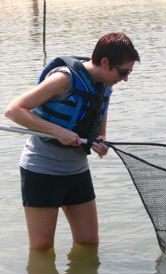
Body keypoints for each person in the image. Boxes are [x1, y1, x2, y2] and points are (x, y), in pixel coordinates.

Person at [4, 32, 140, 249]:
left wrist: (100, 142)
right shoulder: (63, 79)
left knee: (89, 242)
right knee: (42, 248)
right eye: (123, 72)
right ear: (105, 63)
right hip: (42, 169)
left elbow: (99, 121)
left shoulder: (105, 85)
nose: (125, 78)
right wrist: (57, 131)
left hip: (76, 170)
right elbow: (13, 110)